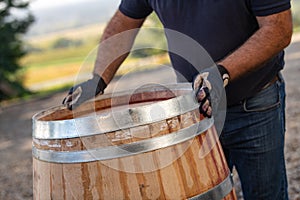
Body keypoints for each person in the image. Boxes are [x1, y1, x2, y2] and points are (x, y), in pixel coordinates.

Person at [63, 1, 293, 199]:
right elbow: (124, 22)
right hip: (195, 112)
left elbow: (278, 29)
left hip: (254, 106)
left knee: (265, 195)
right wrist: (98, 78)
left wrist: (223, 70)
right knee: (202, 195)